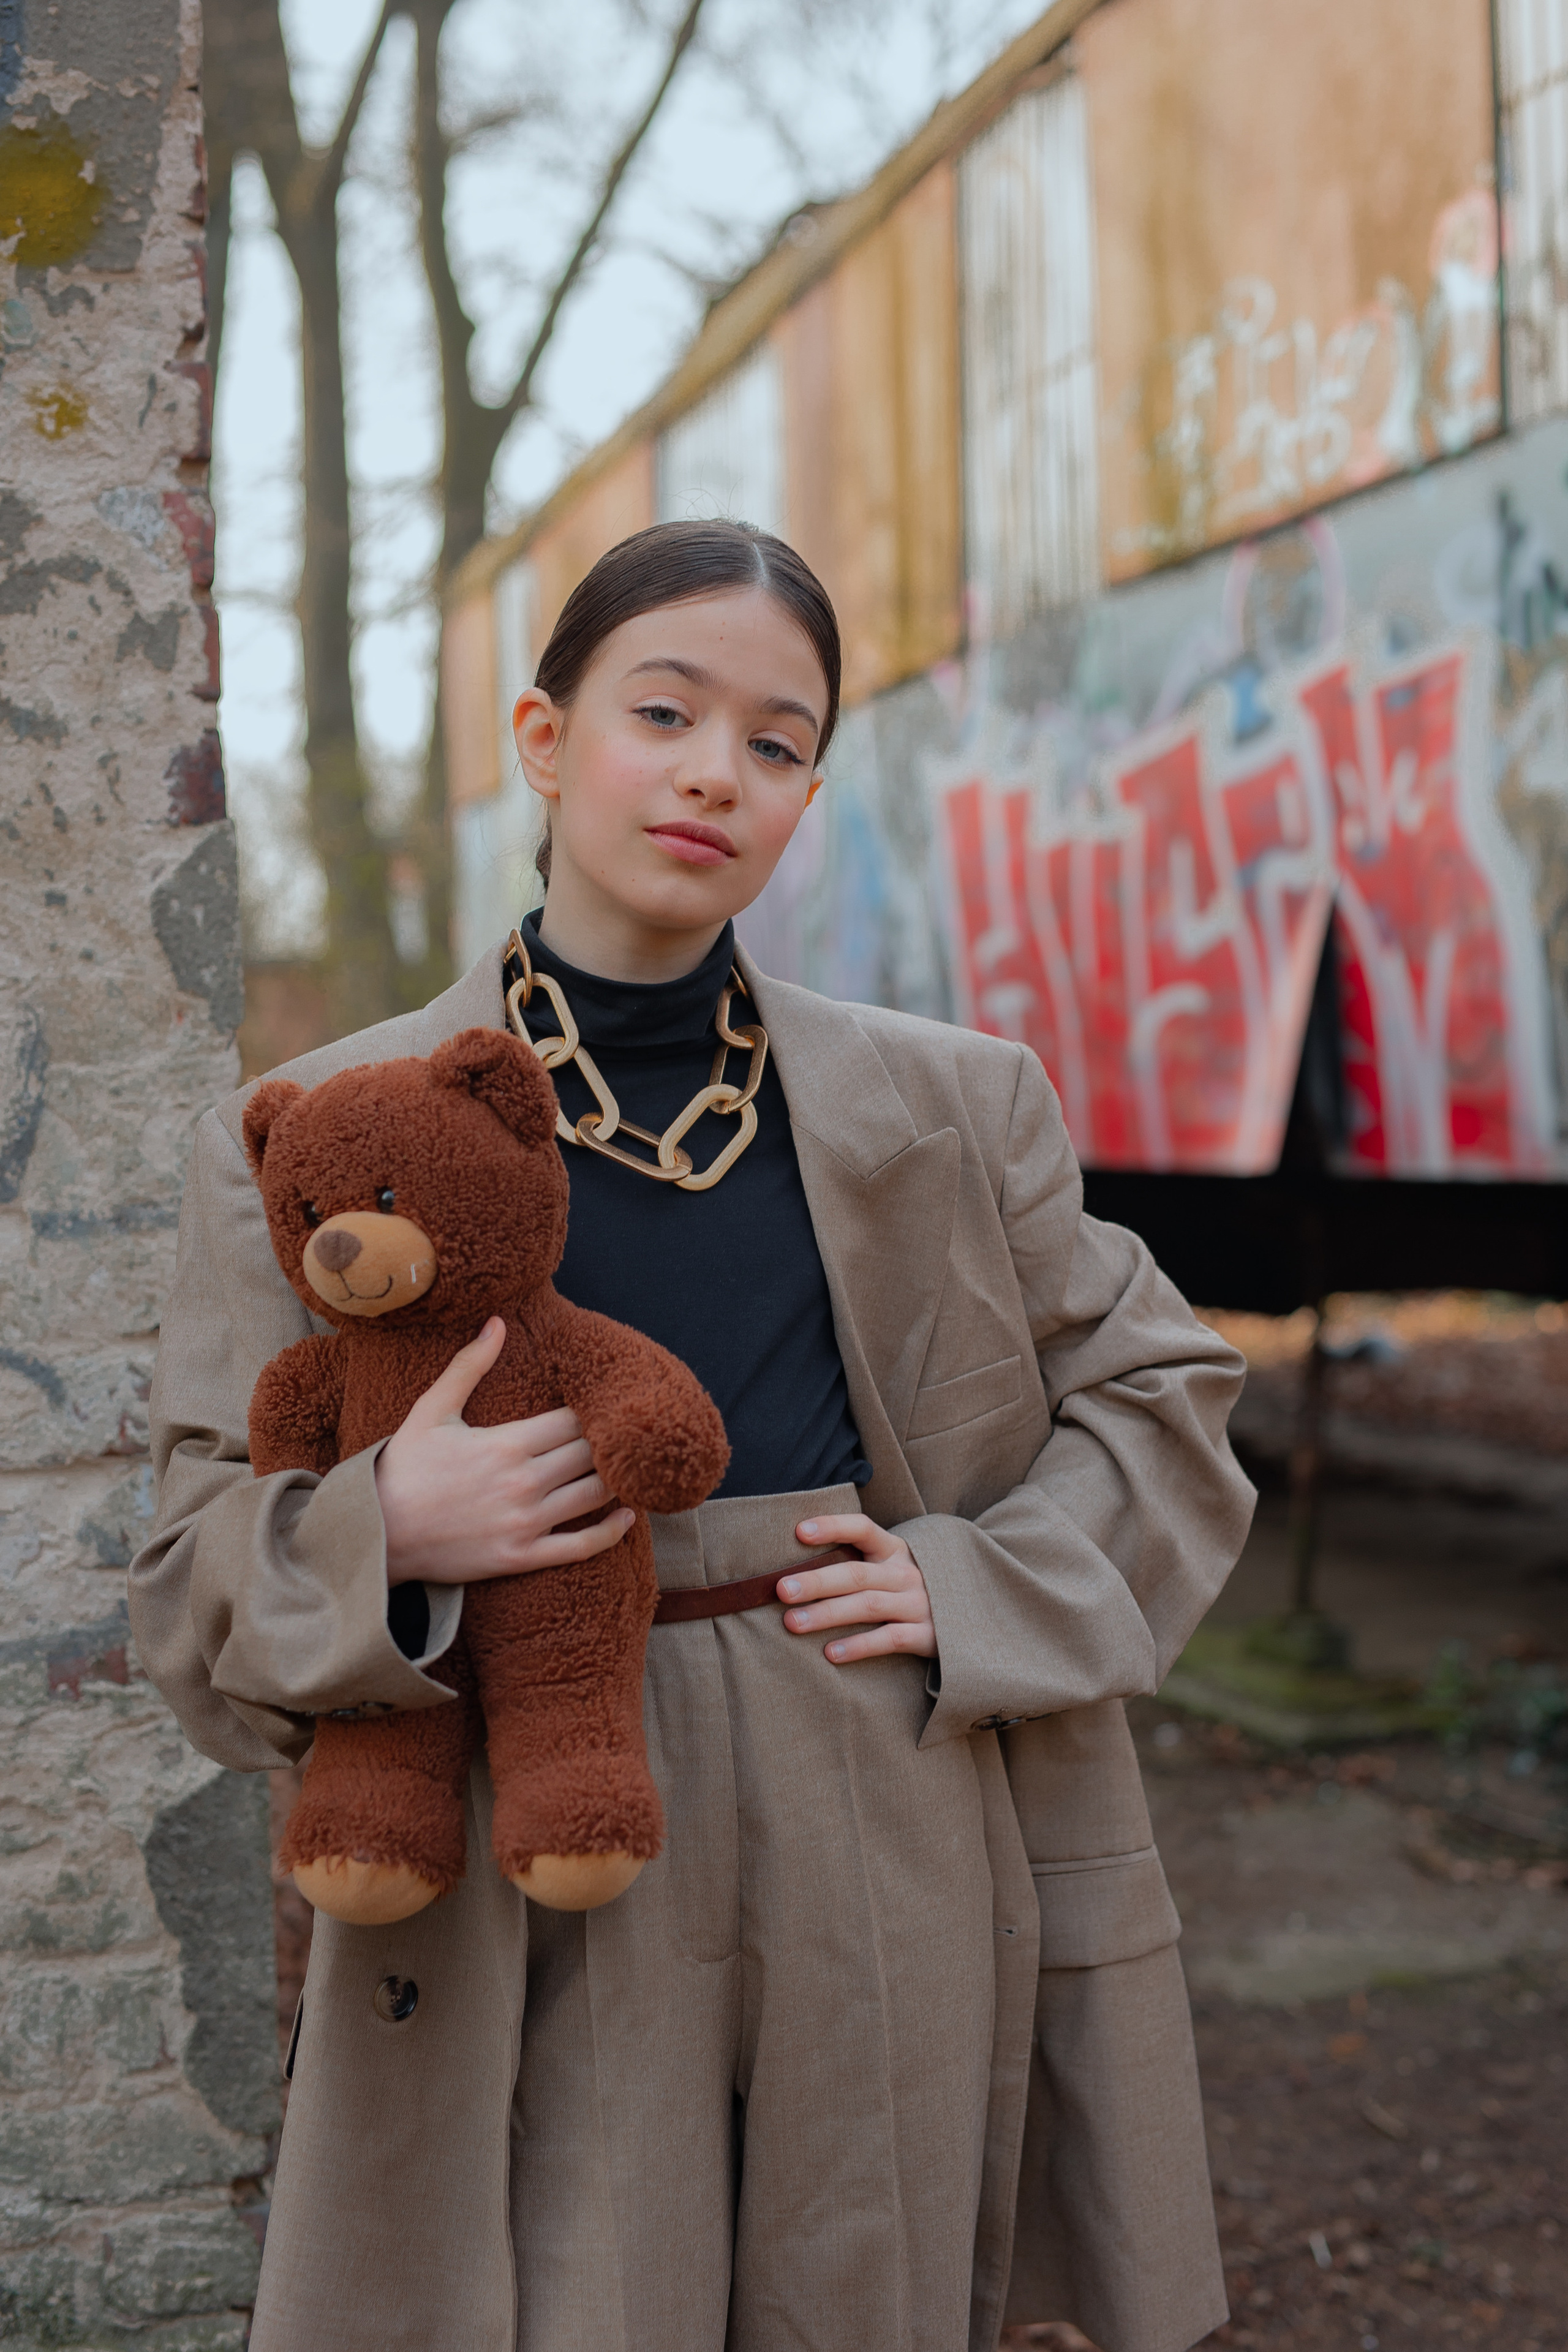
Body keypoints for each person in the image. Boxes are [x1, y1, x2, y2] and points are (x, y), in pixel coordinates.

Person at [130, 519, 1255, 2352]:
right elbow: (189, 1574)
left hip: (874, 1779)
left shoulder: (958, 1105)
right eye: (666, 710)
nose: (717, 771)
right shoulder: (312, 1131)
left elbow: (1164, 1388)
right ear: (548, 735)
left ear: (810, 788)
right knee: (578, 2283)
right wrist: (386, 1531)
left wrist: (981, 1587)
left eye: (780, 739)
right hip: (518, 1801)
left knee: (866, 2284)